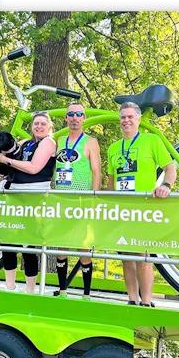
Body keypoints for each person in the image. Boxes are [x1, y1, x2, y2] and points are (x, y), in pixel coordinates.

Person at [106, 102, 177, 307]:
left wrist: (165, 185)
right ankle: (131, 299)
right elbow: (111, 181)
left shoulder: (151, 140)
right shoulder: (113, 148)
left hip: (143, 207)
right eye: (123, 117)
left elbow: (170, 168)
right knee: (126, 257)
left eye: (130, 117)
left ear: (138, 119)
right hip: (121, 208)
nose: (126, 121)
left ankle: (146, 302)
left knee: (143, 256)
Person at [0, 111, 57, 293]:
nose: (39, 126)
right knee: (8, 241)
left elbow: (34, 168)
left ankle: (30, 289)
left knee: (28, 243)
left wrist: (7, 160)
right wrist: (3, 165)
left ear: (49, 126)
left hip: (33, 197)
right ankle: (10, 285)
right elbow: (8, 158)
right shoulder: (26, 143)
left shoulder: (48, 142)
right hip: (14, 195)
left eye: (43, 124)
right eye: (36, 123)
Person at [52, 103, 102, 297]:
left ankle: (86, 293)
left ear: (84, 118)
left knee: (84, 246)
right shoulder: (59, 139)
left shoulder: (90, 141)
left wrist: (94, 197)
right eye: (70, 114)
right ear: (66, 118)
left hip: (82, 199)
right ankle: (63, 290)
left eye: (78, 114)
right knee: (61, 245)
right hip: (62, 199)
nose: (74, 117)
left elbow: (96, 171)